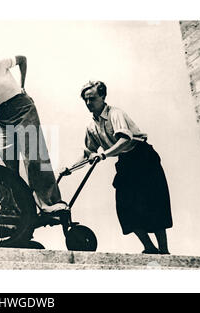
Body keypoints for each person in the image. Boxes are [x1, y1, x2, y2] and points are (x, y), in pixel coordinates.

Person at [0, 36, 67, 214]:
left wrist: (23, 85)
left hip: (23, 107)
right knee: (2, 162)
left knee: (34, 156)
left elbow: (22, 59)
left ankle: (49, 203)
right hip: (3, 116)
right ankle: (14, 209)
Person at [73, 81, 173, 254]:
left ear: (103, 97)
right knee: (125, 207)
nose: (89, 103)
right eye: (86, 100)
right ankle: (149, 248)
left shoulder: (115, 114)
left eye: (92, 99)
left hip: (143, 157)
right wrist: (70, 168)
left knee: (152, 204)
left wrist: (104, 154)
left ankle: (164, 251)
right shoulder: (91, 127)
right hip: (125, 162)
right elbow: (88, 153)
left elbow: (125, 139)